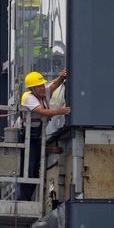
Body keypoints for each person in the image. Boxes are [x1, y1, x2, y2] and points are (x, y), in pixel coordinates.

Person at [17, 69, 70, 201]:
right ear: (32, 88)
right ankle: (23, 199)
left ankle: (26, 198)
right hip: (27, 137)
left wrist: (61, 77)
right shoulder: (29, 97)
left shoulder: (42, 92)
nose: (41, 88)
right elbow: (41, 111)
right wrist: (59, 111)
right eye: (38, 86)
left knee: (34, 170)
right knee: (28, 170)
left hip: (35, 136)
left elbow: (53, 86)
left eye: (42, 85)